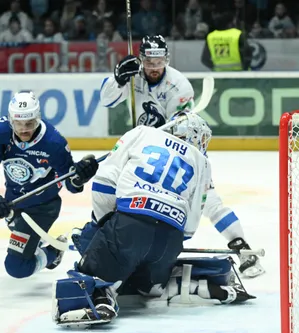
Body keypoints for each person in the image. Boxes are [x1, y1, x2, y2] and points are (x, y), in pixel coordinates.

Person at [53, 112, 255, 328]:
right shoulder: (202, 163)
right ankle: (190, 284)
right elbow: (189, 228)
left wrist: (104, 228)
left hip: (128, 227)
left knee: (88, 256)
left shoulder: (141, 133)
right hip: (169, 241)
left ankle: (102, 297)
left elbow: (103, 184)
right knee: (146, 286)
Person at [96, 34, 264, 277]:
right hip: (141, 148)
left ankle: (241, 245)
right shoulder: (134, 75)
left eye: (159, 61)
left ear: (167, 59)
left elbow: (182, 133)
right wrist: (118, 79)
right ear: (142, 59)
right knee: (117, 188)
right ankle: (111, 238)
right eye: (149, 62)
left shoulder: (179, 85)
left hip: (172, 151)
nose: (154, 68)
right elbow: (106, 101)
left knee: (208, 199)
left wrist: (156, 128)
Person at [0, 91, 98, 279]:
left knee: (16, 267)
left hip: (41, 208)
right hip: (13, 203)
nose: (23, 130)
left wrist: (80, 177)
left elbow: (71, 185)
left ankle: (52, 253)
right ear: (11, 120)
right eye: (18, 123)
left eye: (29, 123)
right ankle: (32, 240)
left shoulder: (53, 143)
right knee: (26, 242)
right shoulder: (2, 133)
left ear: (38, 118)